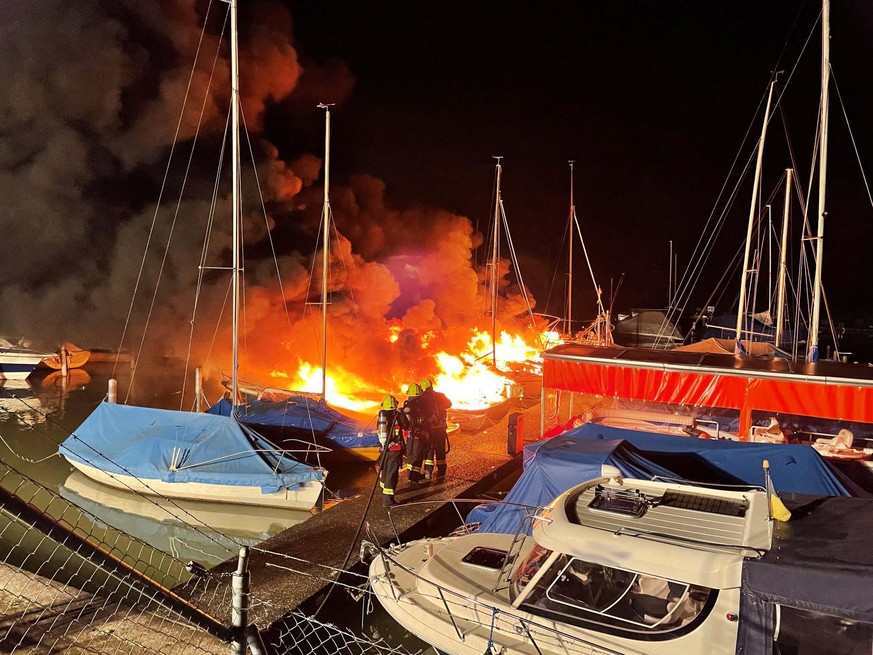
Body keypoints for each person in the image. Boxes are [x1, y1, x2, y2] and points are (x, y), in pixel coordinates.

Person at [377, 394, 409, 507]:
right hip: (395, 449)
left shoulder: (382, 416)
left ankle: (383, 493)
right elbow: (407, 426)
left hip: (384, 449)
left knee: (385, 471)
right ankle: (388, 500)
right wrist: (402, 414)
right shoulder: (398, 416)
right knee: (392, 474)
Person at [419, 377, 453, 480]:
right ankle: (441, 472)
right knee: (440, 450)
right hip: (441, 429)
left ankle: (428, 473)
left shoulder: (421, 398)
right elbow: (449, 404)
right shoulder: (440, 395)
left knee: (429, 452)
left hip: (429, 430)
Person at [402, 382, 431, 483]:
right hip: (420, 434)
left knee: (410, 456)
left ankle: (410, 476)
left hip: (410, 435)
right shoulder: (424, 403)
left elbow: (404, 422)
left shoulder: (407, 404)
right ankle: (414, 478)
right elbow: (428, 418)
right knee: (417, 456)